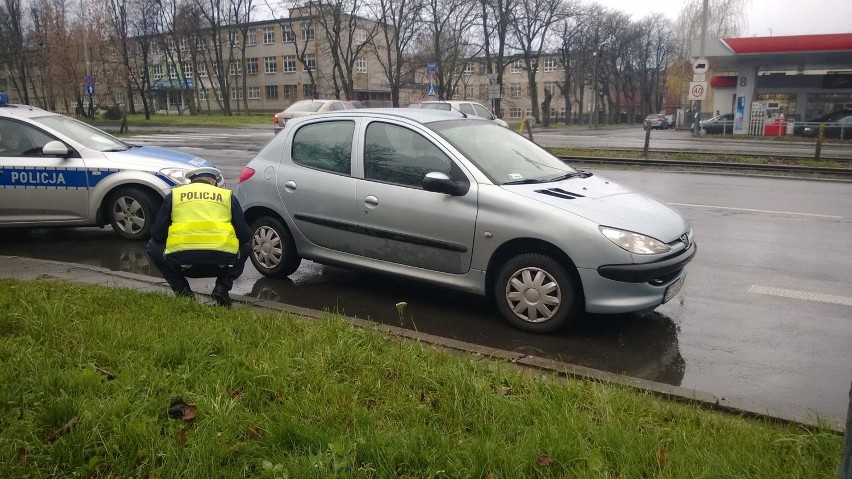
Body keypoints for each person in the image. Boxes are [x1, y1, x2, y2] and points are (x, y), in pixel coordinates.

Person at [146, 167, 251, 307]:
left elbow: (157, 234)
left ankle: (184, 293)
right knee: (247, 246)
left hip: (183, 264)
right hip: (220, 264)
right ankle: (222, 287)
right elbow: (243, 235)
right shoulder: (227, 196)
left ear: (191, 182)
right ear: (214, 182)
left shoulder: (175, 195)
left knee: (152, 246)